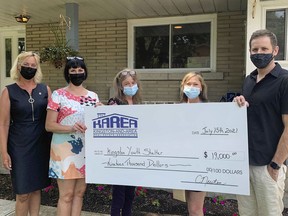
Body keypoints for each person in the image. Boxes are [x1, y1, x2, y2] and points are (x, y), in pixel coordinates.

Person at [234, 29, 288, 216]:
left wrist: (275, 166)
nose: (259, 53)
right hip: (244, 164)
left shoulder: (284, 80)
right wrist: (237, 103)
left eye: (264, 49)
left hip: (268, 166)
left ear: (275, 51)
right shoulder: (249, 80)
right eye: (254, 49)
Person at [45, 57, 101, 216]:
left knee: (79, 193)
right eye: (73, 71)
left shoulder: (93, 96)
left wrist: (103, 111)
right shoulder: (58, 95)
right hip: (64, 151)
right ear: (67, 74)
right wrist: (70, 127)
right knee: (66, 195)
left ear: (85, 72)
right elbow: (49, 125)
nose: (77, 73)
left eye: (80, 70)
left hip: (86, 150)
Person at [0, 51, 51, 216]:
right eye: (26, 65)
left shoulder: (45, 89)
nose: (29, 68)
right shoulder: (8, 91)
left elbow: (57, 114)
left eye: (33, 66)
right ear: (19, 66)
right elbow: (4, 123)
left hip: (41, 144)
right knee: (22, 193)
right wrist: (4, 152)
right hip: (19, 145)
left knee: (36, 189)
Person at [107, 68, 142, 216]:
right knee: (119, 195)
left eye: (132, 83)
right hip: (119, 155)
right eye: (126, 83)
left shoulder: (139, 104)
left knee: (130, 194)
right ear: (121, 86)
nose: (130, 86)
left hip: (134, 155)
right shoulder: (114, 103)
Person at [180, 72, 208, 216]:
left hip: (200, 165)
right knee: (190, 206)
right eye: (188, 84)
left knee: (196, 208)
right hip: (182, 163)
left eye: (195, 84)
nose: (191, 87)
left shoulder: (209, 111)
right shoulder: (177, 110)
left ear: (201, 88)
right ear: (183, 87)